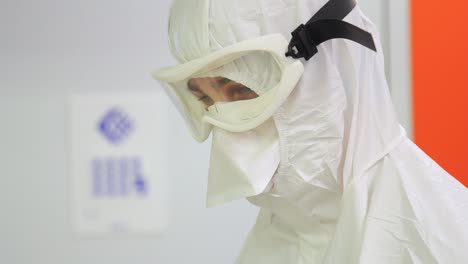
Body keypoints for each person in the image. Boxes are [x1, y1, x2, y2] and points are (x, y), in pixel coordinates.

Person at [152, 0, 468, 263]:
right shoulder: (280, 233)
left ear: (330, 67)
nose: (225, 135)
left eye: (241, 90)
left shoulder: (441, 241)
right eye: (205, 98)